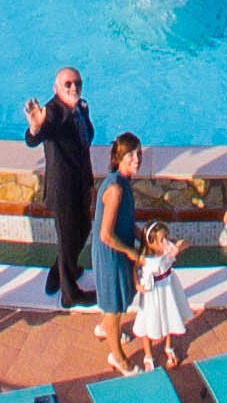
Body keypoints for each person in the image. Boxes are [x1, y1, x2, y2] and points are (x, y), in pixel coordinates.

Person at [26, 67, 99, 309]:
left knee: (83, 229)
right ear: (56, 88)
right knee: (68, 238)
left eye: (77, 82)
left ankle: (59, 273)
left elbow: (84, 144)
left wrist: (89, 183)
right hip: (63, 189)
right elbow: (35, 136)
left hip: (81, 183)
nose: (73, 87)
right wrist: (35, 127)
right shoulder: (53, 112)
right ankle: (70, 294)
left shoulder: (80, 107)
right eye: (67, 84)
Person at [92, 131, 148, 350]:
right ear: (119, 157)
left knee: (116, 301)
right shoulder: (115, 189)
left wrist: (144, 238)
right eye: (131, 155)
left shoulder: (124, 181)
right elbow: (105, 235)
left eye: (139, 153)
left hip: (118, 249)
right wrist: (131, 252)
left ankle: (103, 328)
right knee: (114, 309)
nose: (137, 159)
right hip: (111, 254)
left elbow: (125, 221)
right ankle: (118, 358)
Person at [131, 215, 197, 369]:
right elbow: (134, 269)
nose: (165, 242)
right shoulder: (144, 258)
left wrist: (178, 247)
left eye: (166, 238)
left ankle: (168, 346)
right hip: (152, 293)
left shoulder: (168, 250)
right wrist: (137, 284)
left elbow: (186, 243)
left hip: (167, 289)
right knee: (148, 321)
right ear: (151, 242)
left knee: (169, 316)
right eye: (162, 240)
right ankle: (148, 354)